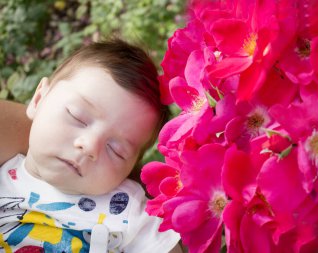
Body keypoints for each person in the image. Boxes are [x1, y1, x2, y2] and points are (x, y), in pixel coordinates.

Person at [0, 39, 182, 253]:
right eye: (77, 117)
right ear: (39, 99)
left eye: (116, 151)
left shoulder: (126, 207)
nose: (89, 146)